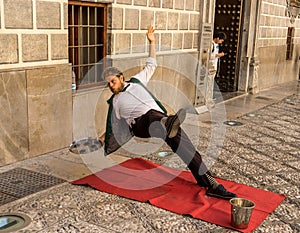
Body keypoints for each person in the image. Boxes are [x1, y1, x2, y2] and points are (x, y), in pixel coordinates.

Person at [99, 26, 236, 199]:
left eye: (113, 81)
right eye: (108, 84)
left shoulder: (137, 81)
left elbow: (152, 63)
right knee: (153, 116)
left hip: (162, 121)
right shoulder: (115, 103)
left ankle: (211, 184)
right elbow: (112, 127)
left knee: (188, 149)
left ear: (121, 77)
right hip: (142, 126)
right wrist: (99, 140)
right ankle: (166, 122)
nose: (111, 85)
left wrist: (152, 42)